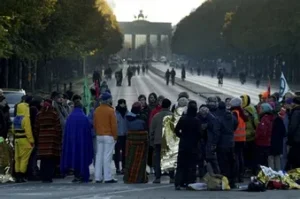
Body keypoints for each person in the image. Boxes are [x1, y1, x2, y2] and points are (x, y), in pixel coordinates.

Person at [60, 100, 93, 183]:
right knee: (83, 158)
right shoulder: (84, 117)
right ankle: (84, 175)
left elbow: (66, 131)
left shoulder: (70, 117)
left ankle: (76, 175)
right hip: (83, 142)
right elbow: (89, 129)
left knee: (74, 157)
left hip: (72, 142)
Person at [174, 101, 201, 190]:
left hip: (183, 144)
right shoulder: (197, 121)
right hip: (193, 145)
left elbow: (176, 130)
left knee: (181, 165)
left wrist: (181, 136)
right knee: (191, 165)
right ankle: (190, 182)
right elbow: (200, 134)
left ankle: (178, 182)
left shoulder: (183, 119)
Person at [35, 99, 62, 183]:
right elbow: (58, 126)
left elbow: (36, 127)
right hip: (52, 138)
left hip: (42, 138)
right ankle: (49, 177)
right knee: (50, 159)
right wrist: (58, 137)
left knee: (43, 159)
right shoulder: (54, 114)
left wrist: (37, 137)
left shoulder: (39, 114)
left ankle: (43, 176)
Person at [94, 92, 118, 183]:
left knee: (99, 156)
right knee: (107, 156)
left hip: (99, 135)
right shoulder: (111, 111)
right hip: (108, 135)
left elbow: (95, 124)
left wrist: (98, 132)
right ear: (108, 100)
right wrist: (115, 136)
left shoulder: (97, 110)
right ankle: (107, 177)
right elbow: (114, 125)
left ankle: (98, 177)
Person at [150, 98, 175, 184]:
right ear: (169, 106)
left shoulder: (156, 116)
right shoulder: (172, 116)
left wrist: (152, 140)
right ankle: (171, 177)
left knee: (157, 159)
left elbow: (152, 130)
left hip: (158, 141)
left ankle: (157, 177)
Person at [123, 102, 148, 183]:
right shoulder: (141, 119)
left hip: (130, 141)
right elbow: (145, 129)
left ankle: (128, 177)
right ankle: (140, 177)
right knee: (140, 161)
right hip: (141, 142)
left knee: (130, 160)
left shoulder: (127, 117)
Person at [217, 101, 238, 188]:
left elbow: (217, 130)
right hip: (231, 142)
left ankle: (225, 181)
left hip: (222, 143)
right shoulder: (233, 117)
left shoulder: (219, 118)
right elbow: (235, 125)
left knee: (223, 163)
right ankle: (232, 181)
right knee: (231, 162)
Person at [13, 102, 34, 183]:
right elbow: (28, 131)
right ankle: (22, 175)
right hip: (25, 140)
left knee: (17, 158)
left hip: (17, 140)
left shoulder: (15, 118)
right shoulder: (26, 118)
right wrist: (31, 141)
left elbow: (12, 130)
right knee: (24, 159)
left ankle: (17, 175)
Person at [240, 95, 259, 175]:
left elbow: (256, 123)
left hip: (250, 138)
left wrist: (252, 132)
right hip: (246, 137)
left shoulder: (250, 109)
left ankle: (250, 169)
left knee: (249, 155)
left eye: (242, 100)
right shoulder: (243, 110)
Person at [230, 97, 247, 182]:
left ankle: (237, 175)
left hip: (236, 138)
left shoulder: (234, 113)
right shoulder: (241, 112)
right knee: (240, 157)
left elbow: (233, 124)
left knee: (236, 157)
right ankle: (241, 175)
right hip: (242, 138)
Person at [255, 103, 274, 173]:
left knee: (261, 161)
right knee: (265, 160)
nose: (259, 110)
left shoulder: (264, 118)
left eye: (261, 108)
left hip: (262, 142)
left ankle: (262, 174)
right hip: (267, 142)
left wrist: (256, 136)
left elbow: (263, 131)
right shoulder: (269, 117)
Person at [114, 99, 128, 175]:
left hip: (125, 135)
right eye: (121, 103)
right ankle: (117, 168)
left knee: (124, 153)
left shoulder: (127, 112)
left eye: (123, 103)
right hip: (118, 135)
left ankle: (124, 167)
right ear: (118, 104)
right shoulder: (115, 113)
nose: (122, 105)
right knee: (117, 153)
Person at [286, 97, 300, 170]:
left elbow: (293, 126)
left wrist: (289, 136)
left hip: (296, 139)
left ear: (294, 103)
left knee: (294, 158)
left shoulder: (296, 112)